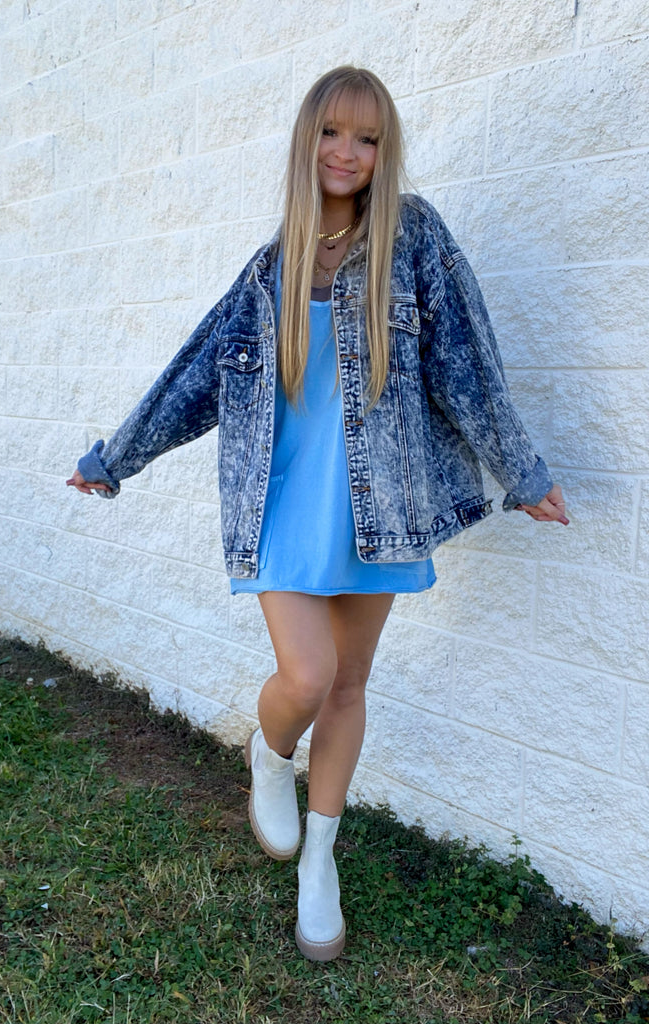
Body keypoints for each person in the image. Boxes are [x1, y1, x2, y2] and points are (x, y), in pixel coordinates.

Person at [67, 66, 568, 962]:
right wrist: (117, 457)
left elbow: (468, 362)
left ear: (384, 150)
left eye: (367, 138)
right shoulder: (271, 268)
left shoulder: (415, 239)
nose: (348, 152)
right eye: (333, 132)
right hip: (280, 507)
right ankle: (269, 755)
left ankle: (319, 861)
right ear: (308, 140)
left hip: (381, 508)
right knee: (306, 676)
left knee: (346, 685)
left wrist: (521, 471)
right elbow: (194, 375)